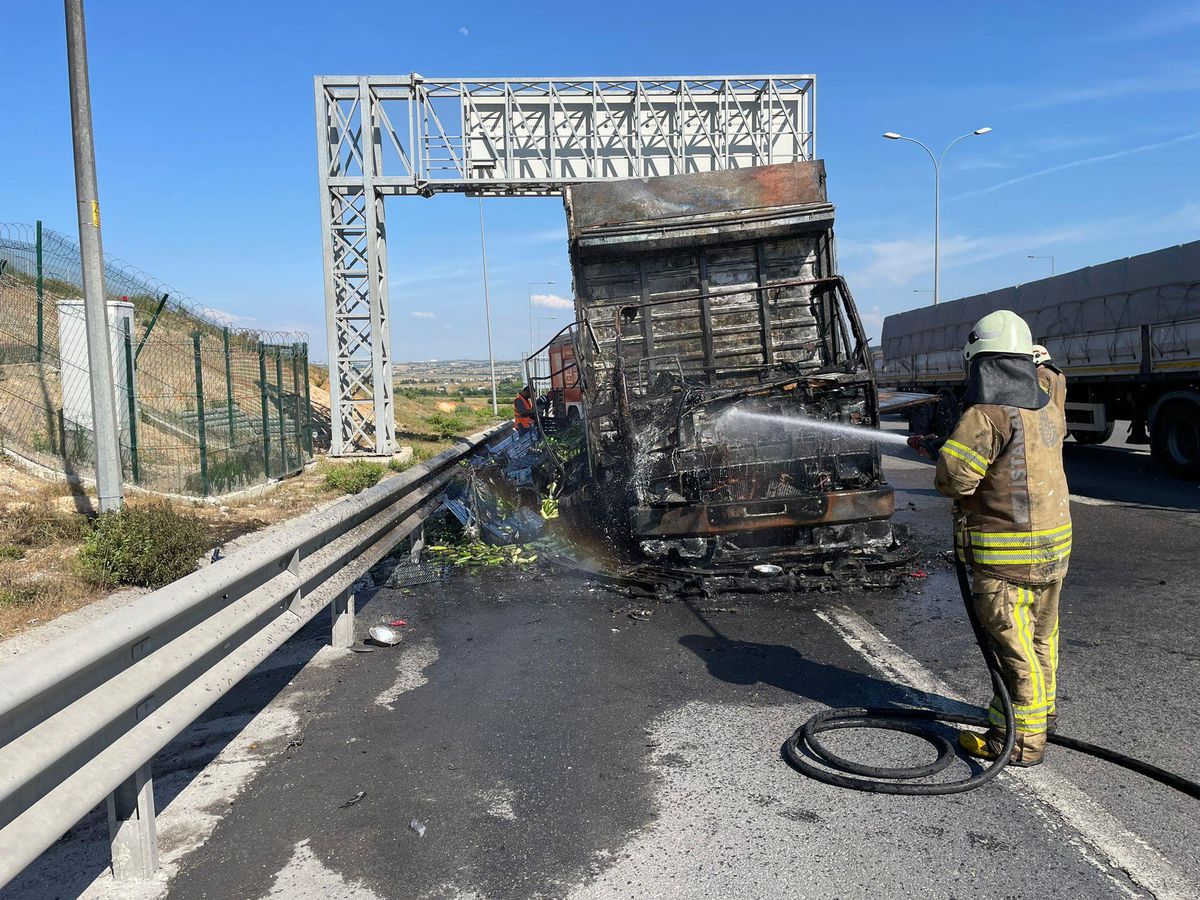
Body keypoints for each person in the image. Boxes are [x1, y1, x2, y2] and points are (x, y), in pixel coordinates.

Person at [913, 310, 1070, 767]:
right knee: (1042, 637)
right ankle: (1042, 716)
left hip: (1007, 558)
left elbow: (954, 481)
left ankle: (1018, 741)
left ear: (980, 363)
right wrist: (1045, 363)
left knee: (1012, 648)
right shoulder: (1047, 400)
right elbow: (1054, 378)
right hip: (1054, 548)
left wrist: (941, 449)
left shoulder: (986, 415)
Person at [1032, 344, 1067, 428]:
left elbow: (1039, 401)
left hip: (1047, 425)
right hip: (1060, 423)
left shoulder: (1041, 374)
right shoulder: (1060, 375)